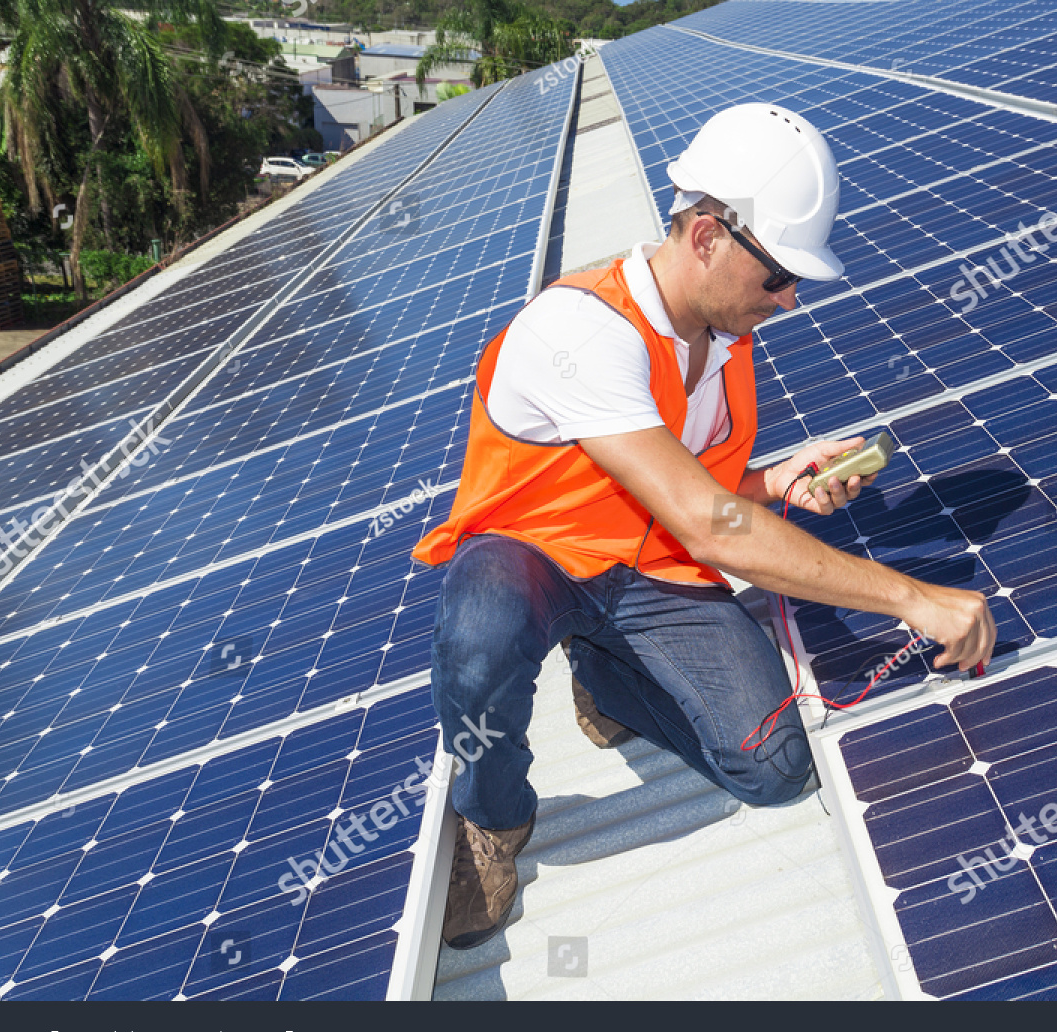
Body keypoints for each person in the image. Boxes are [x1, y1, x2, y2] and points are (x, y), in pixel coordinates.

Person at [413, 102, 996, 950]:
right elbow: (711, 524)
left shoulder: (722, 343)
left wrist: (779, 482)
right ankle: (494, 820)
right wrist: (912, 599)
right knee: (480, 631)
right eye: (778, 277)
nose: (790, 300)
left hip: (649, 570)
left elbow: (702, 488)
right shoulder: (582, 330)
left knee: (775, 768)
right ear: (708, 235)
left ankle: (605, 674)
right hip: (532, 559)